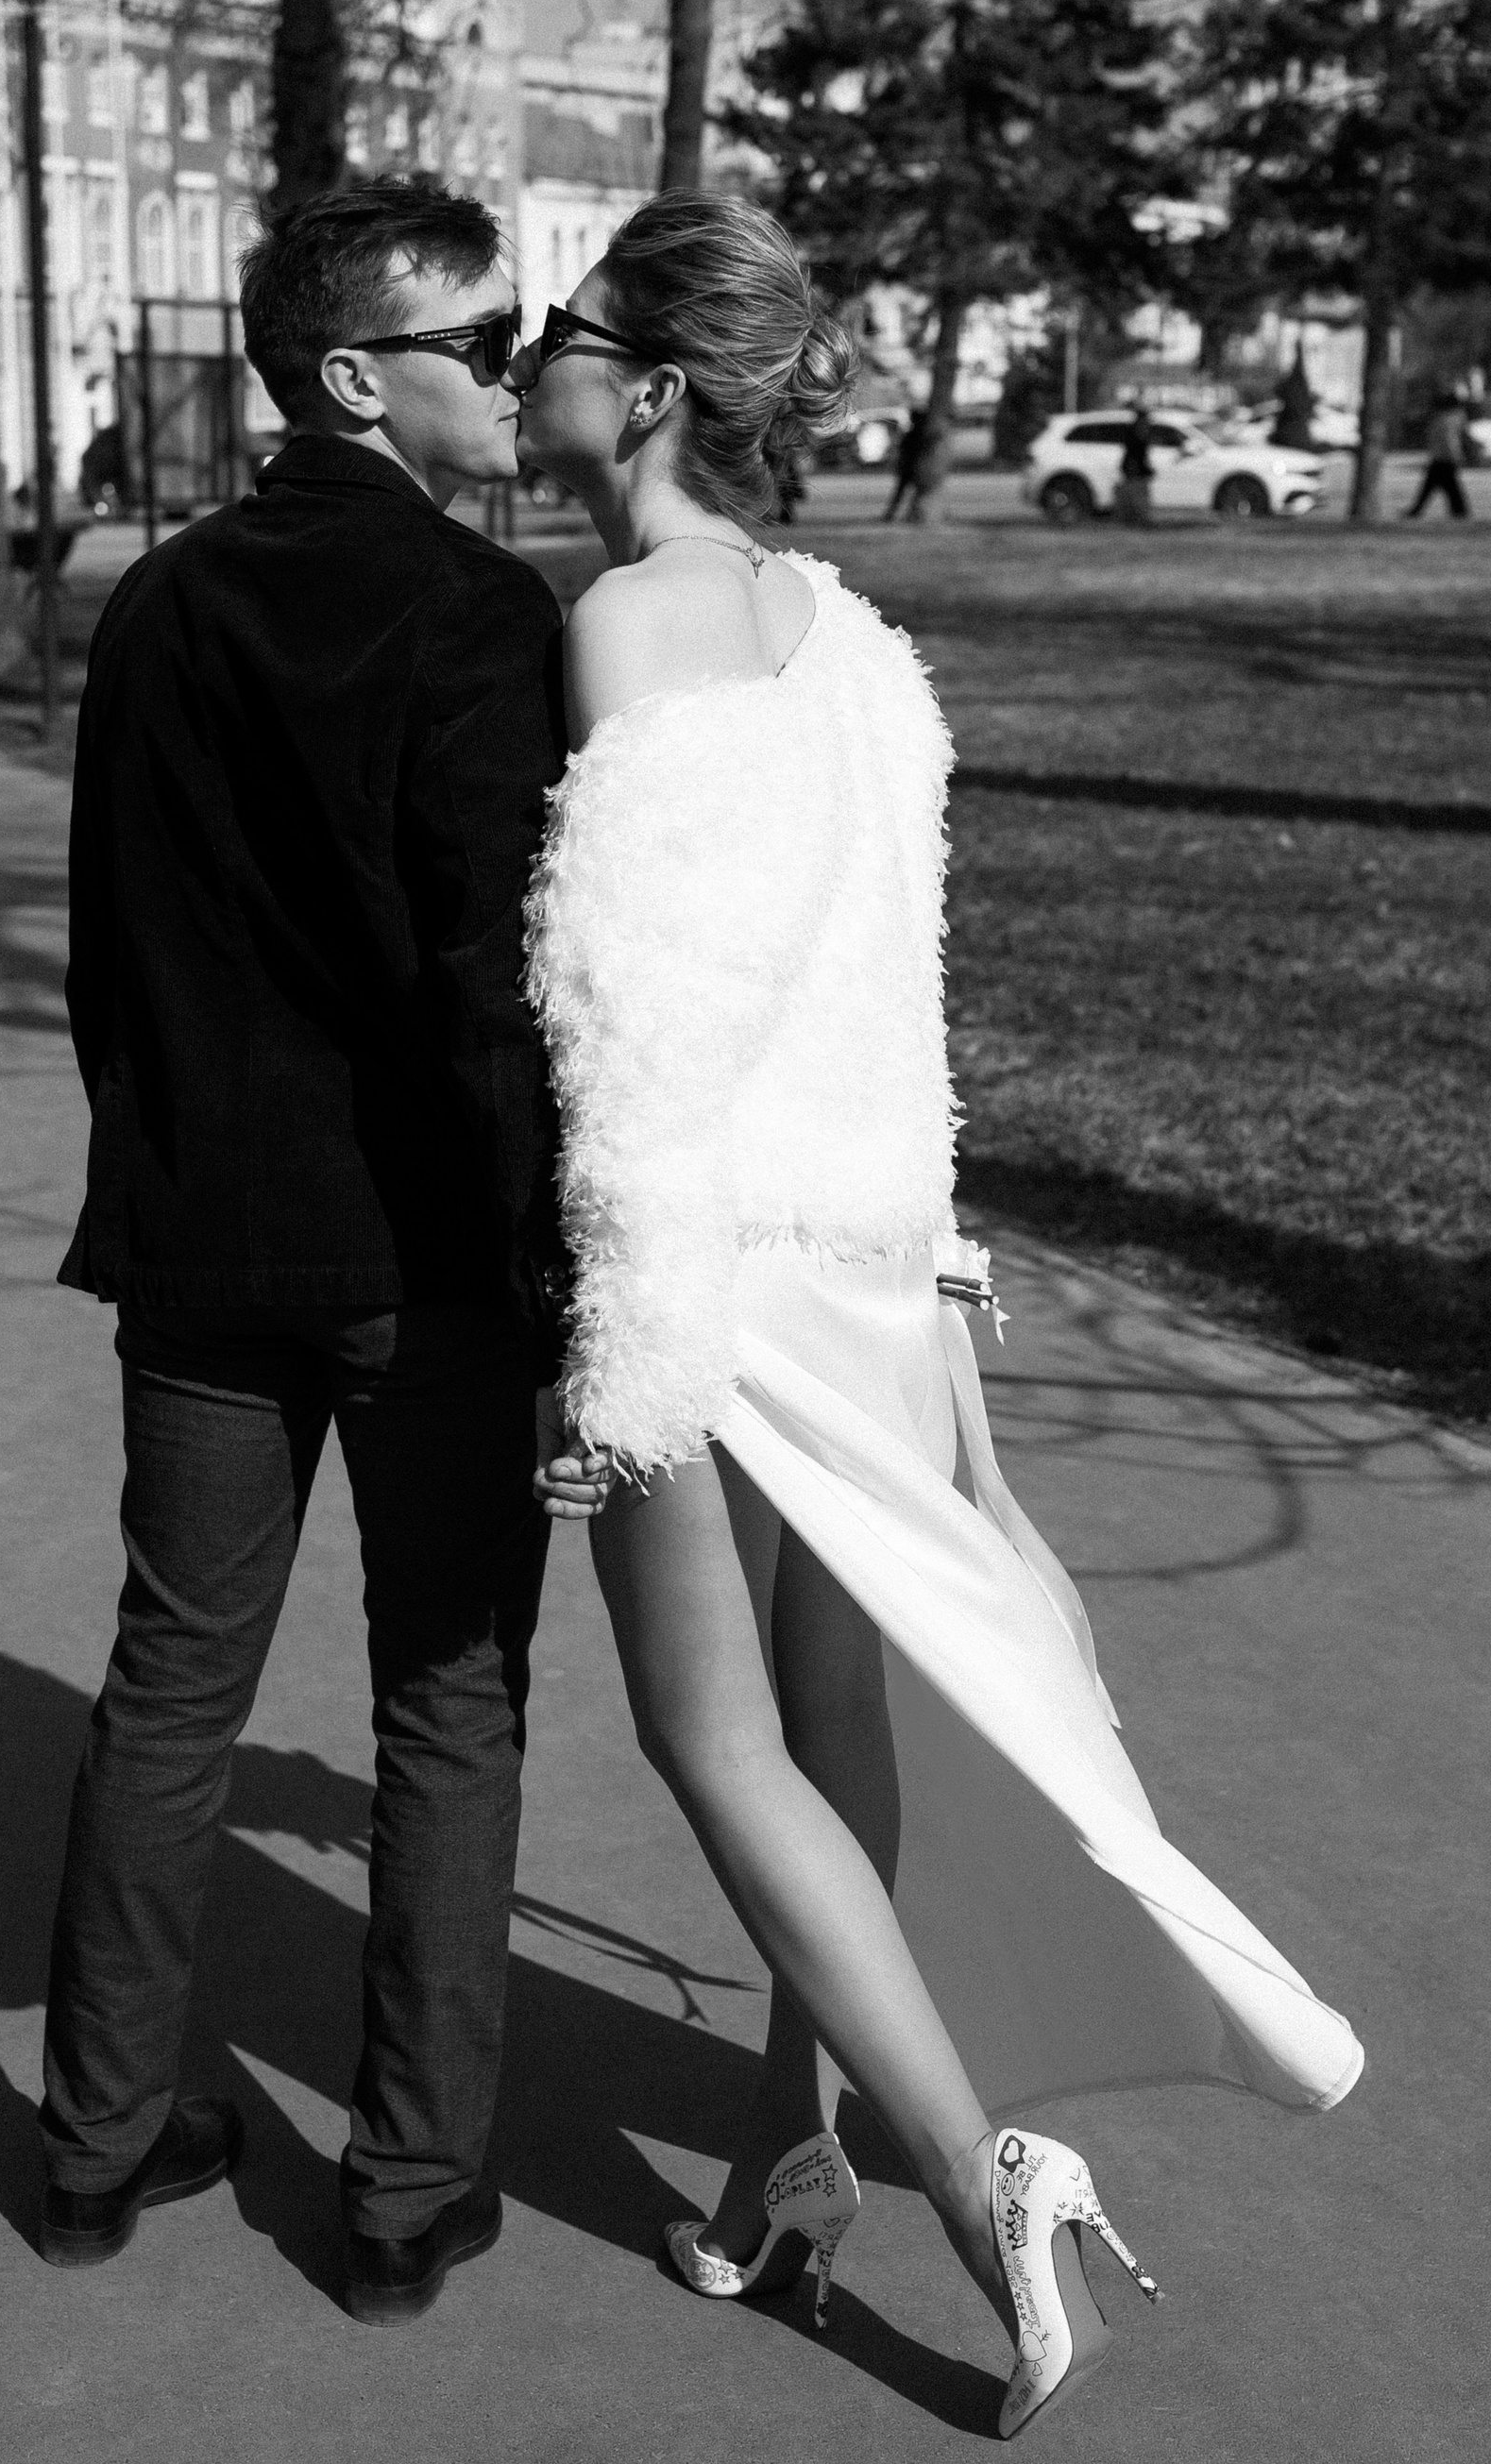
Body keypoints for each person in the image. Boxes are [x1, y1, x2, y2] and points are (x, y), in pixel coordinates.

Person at [511, 191, 1364, 2441]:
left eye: (554, 332)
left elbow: (631, 1023)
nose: (524, 366)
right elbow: (909, 1014)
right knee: (830, 1740)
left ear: (648, 384)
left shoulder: (630, 621)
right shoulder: (863, 648)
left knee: (713, 1745)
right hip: (876, 1264)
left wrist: (617, 1349)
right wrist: (950, 1340)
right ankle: (783, 2165)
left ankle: (993, 2187)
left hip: (717, 1268)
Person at [42, 177, 569, 2325]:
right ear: (356, 377)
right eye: (487, 343)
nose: (522, 375)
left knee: (173, 1682)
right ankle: (405, 2195)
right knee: (450, 1700)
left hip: (200, 1242)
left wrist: (158, 1167)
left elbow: (107, 955)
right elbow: (494, 994)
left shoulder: (158, 604)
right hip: (421, 1259)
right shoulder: (480, 615)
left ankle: (92, 2147)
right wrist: (556, 1276)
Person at [1405, 390, 1471, 519]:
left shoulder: (1446, 419)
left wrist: (1453, 455)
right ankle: (1459, 511)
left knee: (1441, 485)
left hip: (1444, 457)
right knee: (1445, 485)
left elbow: (1449, 439)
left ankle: (1459, 511)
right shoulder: (1452, 418)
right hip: (1444, 456)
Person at [881, 404, 927, 521]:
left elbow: (902, 451)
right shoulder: (921, 434)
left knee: (901, 493)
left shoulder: (911, 434)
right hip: (916, 468)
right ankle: (910, 515)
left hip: (908, 468)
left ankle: (892, 515)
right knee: (915, 493)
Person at [1114, 402, 1154, 525]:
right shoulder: (1137, 432)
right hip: (1134, 470)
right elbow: (1136, 453)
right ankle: (1136, 518)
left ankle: (1134, 517)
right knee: (1136, 495)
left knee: (1136, 493)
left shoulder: (1137, 431)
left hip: (1135, 469)